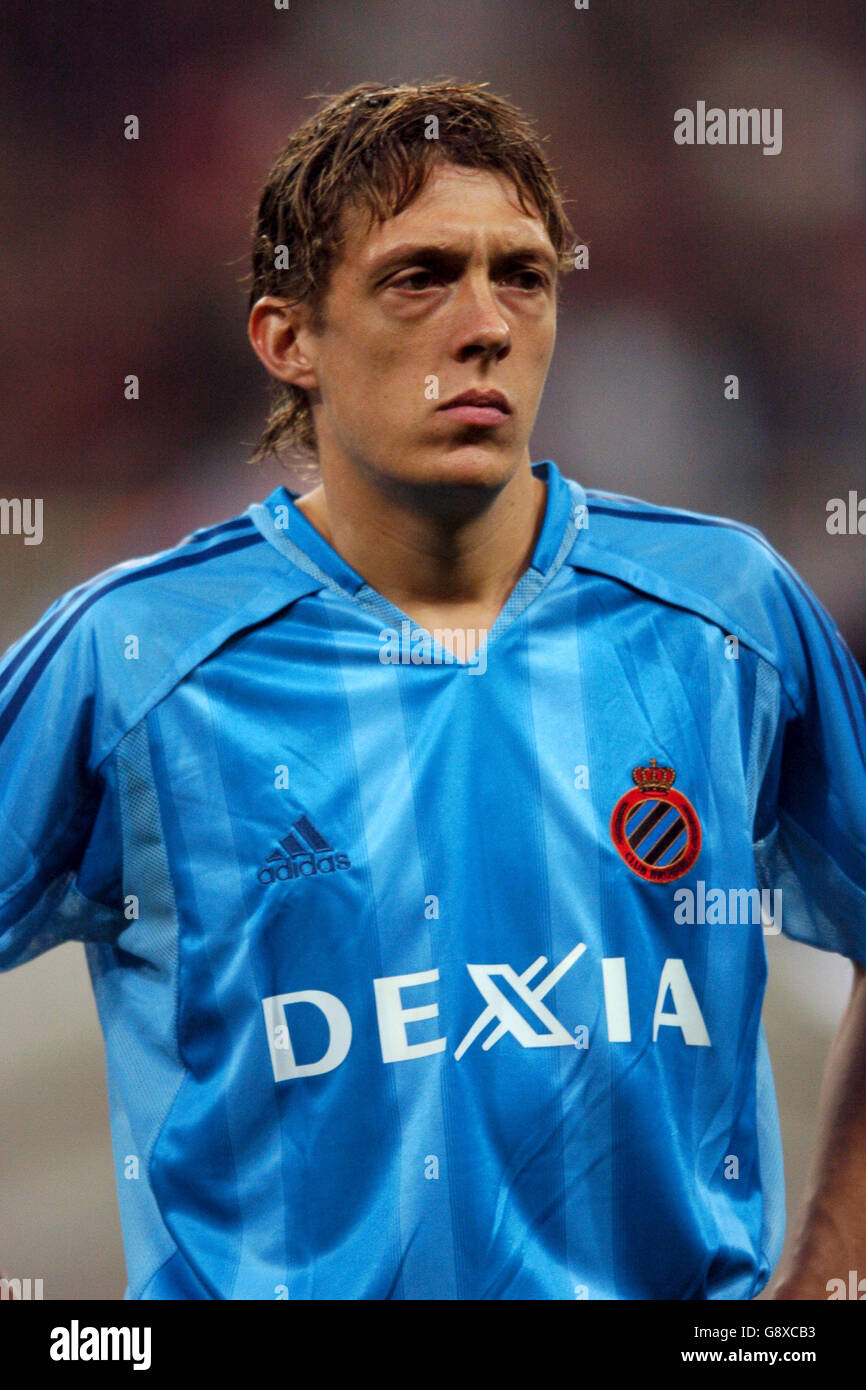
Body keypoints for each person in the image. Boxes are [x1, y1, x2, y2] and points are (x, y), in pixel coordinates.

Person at [1, 80, 865, 1301]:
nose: (486, 325)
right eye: (419, 278)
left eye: (521, 275)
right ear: (287, 339)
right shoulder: (135, 654)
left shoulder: (724, 613)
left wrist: (824, 1281)